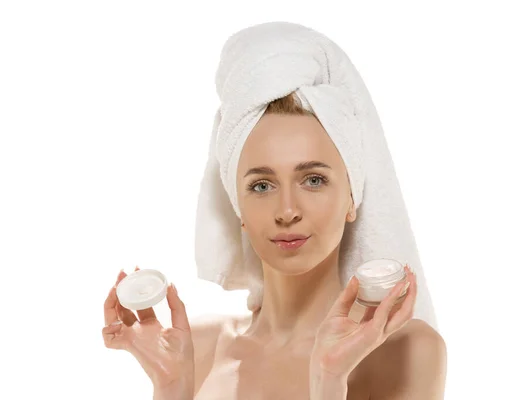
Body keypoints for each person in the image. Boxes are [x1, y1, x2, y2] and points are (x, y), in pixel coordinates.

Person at [103, 93, 447, 400]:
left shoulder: (406, 351)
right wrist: (171, 387)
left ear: (351, 198)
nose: (287, 211)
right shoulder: (197, 345)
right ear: (238, 206)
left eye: (314, 180)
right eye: (262, 186)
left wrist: (329, 378)